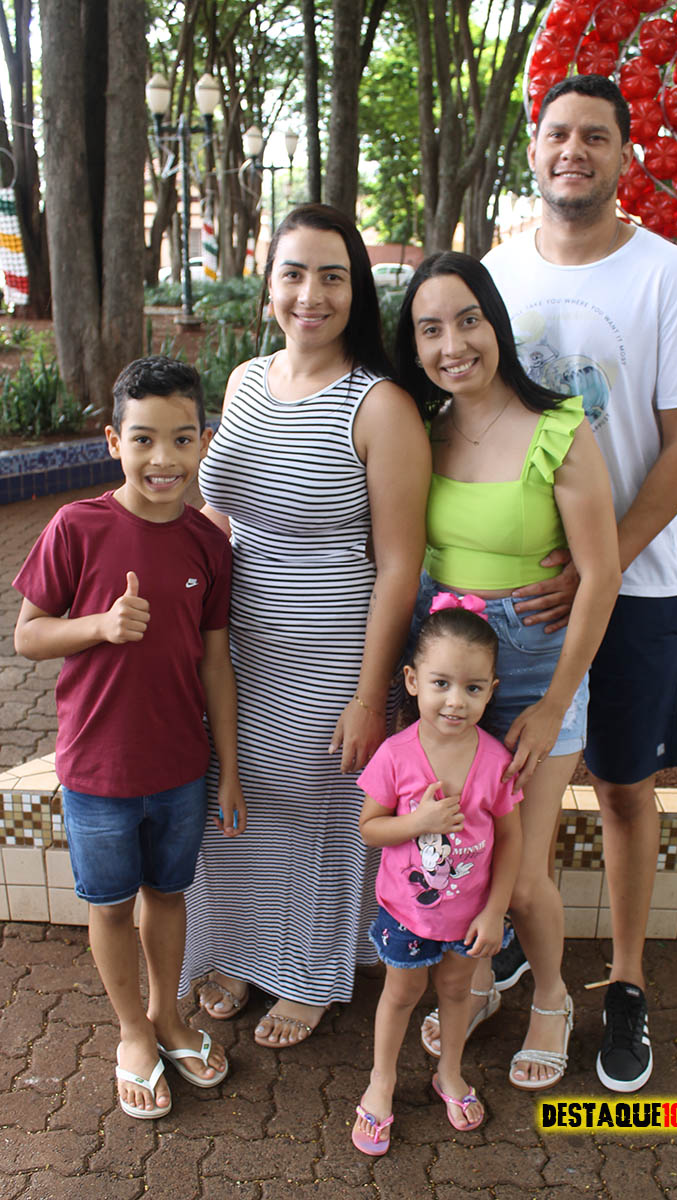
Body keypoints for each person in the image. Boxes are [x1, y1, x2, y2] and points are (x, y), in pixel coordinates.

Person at [483, 74, 677, 1092]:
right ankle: (508, 938)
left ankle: (625, 981)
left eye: (594, 135)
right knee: (506, 780)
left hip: (630, 585)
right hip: (513, 587)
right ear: (532, 150)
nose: (572, 149)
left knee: (624, 785)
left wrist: (602, 561)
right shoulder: (495, 274)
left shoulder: (669, 277)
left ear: (625, 155)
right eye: (556, 133)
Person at [180, 204, 431, 1046]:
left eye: (332, 276)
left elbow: (399, 565)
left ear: (356, 292)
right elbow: (220, 509)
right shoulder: (246, 381)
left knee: (317, 811)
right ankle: (241, 952)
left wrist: (369, 695)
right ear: (269, 285)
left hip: (331, 656)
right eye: (293, 273)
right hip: (237, 645)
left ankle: (309, 975)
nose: (310, 294)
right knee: (235, 801)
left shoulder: (380, 405)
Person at [394, 251, 621, 1091]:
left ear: (495, 322)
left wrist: (555, 702)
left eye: (468, 321)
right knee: (461, 847)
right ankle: (483, 981)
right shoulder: (420, 430)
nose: (452, 344)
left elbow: (600, 574)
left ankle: (552, 998)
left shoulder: (559, 426)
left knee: (522, 876)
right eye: (430, 330)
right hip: (444, 669)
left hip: (532, 671)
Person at [12, 357, 243, 1119]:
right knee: (111, 905)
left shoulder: (209, 544)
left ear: (203, 441)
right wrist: (100, 626)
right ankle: (133, 1033)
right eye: (143, 439)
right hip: (98, 769)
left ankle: (168, 1016)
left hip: (181, 767)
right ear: (114, 441)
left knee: (168, 894)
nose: (163, 458)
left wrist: (228, 769)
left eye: (181, 438)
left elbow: (215, 661)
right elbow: (28, 636)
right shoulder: (76, 526)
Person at [352, 599, 522, 1154]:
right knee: (402, 992)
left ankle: (449, 1072)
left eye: (473, 688)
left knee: (455, 991)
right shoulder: (394, 756)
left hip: (469, 917)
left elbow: (511, 839)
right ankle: (381, 1082)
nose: (455, 700)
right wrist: (418, 823)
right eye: (441, 683)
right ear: (412, 680)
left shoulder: (495, 762)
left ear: (491, 690)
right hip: (406, 913)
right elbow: (370, 829)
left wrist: (495, 911)